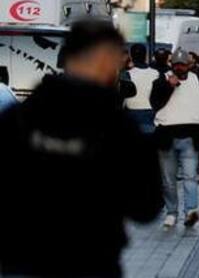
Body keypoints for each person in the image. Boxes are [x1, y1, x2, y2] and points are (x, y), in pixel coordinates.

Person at [0, 20, 163, 276]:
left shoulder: (18, 118)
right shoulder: (119, 130)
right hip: (90, 260)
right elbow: (146, 207)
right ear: (104, 59)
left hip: (21, 260)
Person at [151, 48, 199, 228]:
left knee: (190, 176)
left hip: (190, 137)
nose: (180, 68)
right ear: (171, 65)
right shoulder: (161, 81)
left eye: (183, 65)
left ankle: (190, 211)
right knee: (168, 180)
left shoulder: (198, 82)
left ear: (189, 65)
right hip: (166, 137)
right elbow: (155, 103)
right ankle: (172, 212)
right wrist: (168, 87)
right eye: (176, 65)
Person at [125, 43, 161, 134]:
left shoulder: (127, 74)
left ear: (131, 56)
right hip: (152, 113)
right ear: (145, 56)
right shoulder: (156, 73)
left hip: (132, 113)